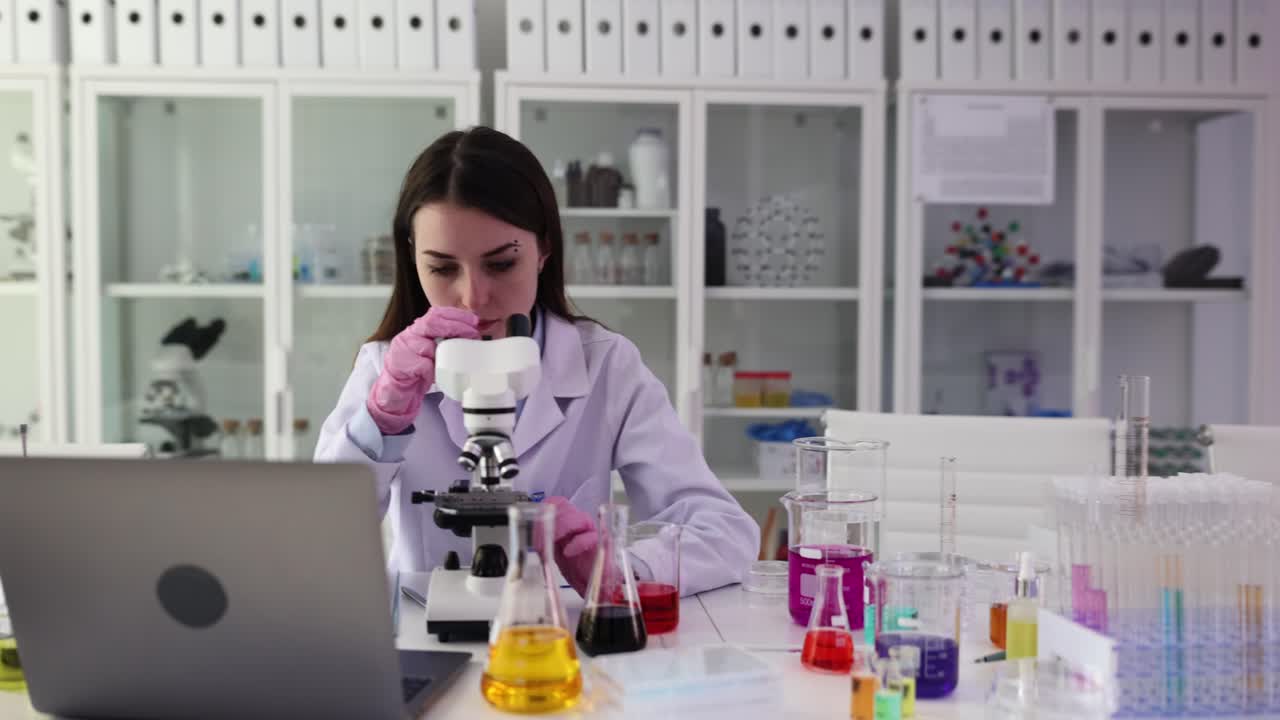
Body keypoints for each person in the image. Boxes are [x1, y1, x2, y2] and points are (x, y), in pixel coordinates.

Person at [315, 126, 759, 596]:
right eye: (443, 268)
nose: (473, 298)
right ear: (412, 258)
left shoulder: (607, 367)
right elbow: (317, 540)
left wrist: (620, 569)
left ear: (544, 249)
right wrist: (379, 423)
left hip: (557, 643)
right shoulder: (384, 368)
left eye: (501, 263)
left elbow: (726, 533)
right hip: (421, 637)